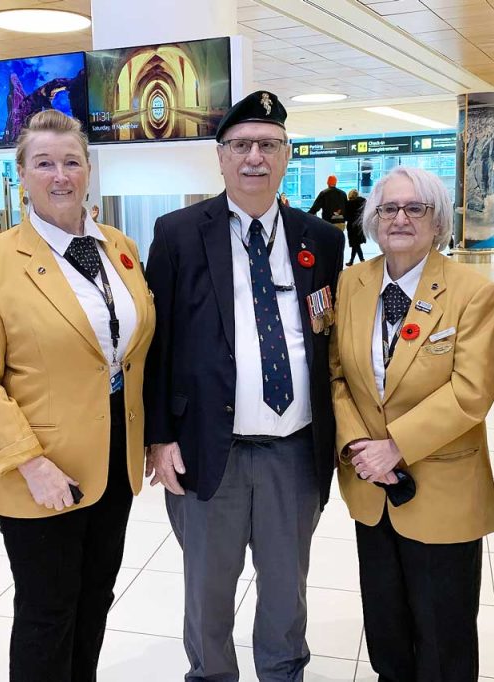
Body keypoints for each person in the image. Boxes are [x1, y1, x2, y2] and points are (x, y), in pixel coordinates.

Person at [144, 91, 344, 681]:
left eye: (268, 145)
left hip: (294, 451)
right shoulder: (179, 234)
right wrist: (160, 437)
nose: (254, 157)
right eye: (241, 146)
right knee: (208, 591)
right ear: (221, 157)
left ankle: (283, 674)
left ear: (286, 156)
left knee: (287, 592)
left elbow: (328, 337)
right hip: (209, 450)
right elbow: (159, 345)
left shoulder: (320, 240)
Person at [0, 109, 154, 681]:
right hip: (40, 469)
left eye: (71, 162)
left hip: (113, 461)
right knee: (47, 612)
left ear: (89, 169)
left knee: (95, 600)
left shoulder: (119, 247)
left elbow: (133, 346)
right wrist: (28, 461)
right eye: (44, 163)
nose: (60, 175)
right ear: (22, 175)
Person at [330, 166, 494, 681]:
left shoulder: (471, 292)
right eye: (389, 208)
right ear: (373, 219)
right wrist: (360, 444)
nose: (400, 218)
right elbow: (336, 374)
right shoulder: (351, 284)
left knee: (443, 637)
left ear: (438, 220)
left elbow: (472, 391)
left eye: (415, 208)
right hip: (371, 488)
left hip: (442, 489)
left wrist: (395, 446)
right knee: (386, 632)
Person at [345, 188, 367, 265]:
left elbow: (346, 217)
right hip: (360, 226)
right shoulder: (363, 202)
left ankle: (362, 260)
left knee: (356, 244)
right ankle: (351, 261)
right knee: (356, 244)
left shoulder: (348, 204)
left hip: (352, 227)